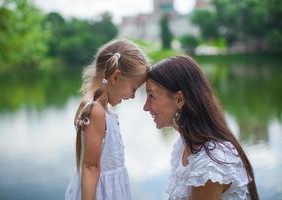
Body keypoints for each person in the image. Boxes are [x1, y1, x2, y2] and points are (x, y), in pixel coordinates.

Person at [143, 55, 259, 200]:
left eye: (151, 96)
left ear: (179, 99)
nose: (145, 107)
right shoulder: (184, 145)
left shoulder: (209, 164)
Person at [65, 39, 149, 200]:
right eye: (134, 89)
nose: (133, 96)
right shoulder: (96, 111)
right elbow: (90, 167)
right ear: (116, 76)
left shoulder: (93, 106)